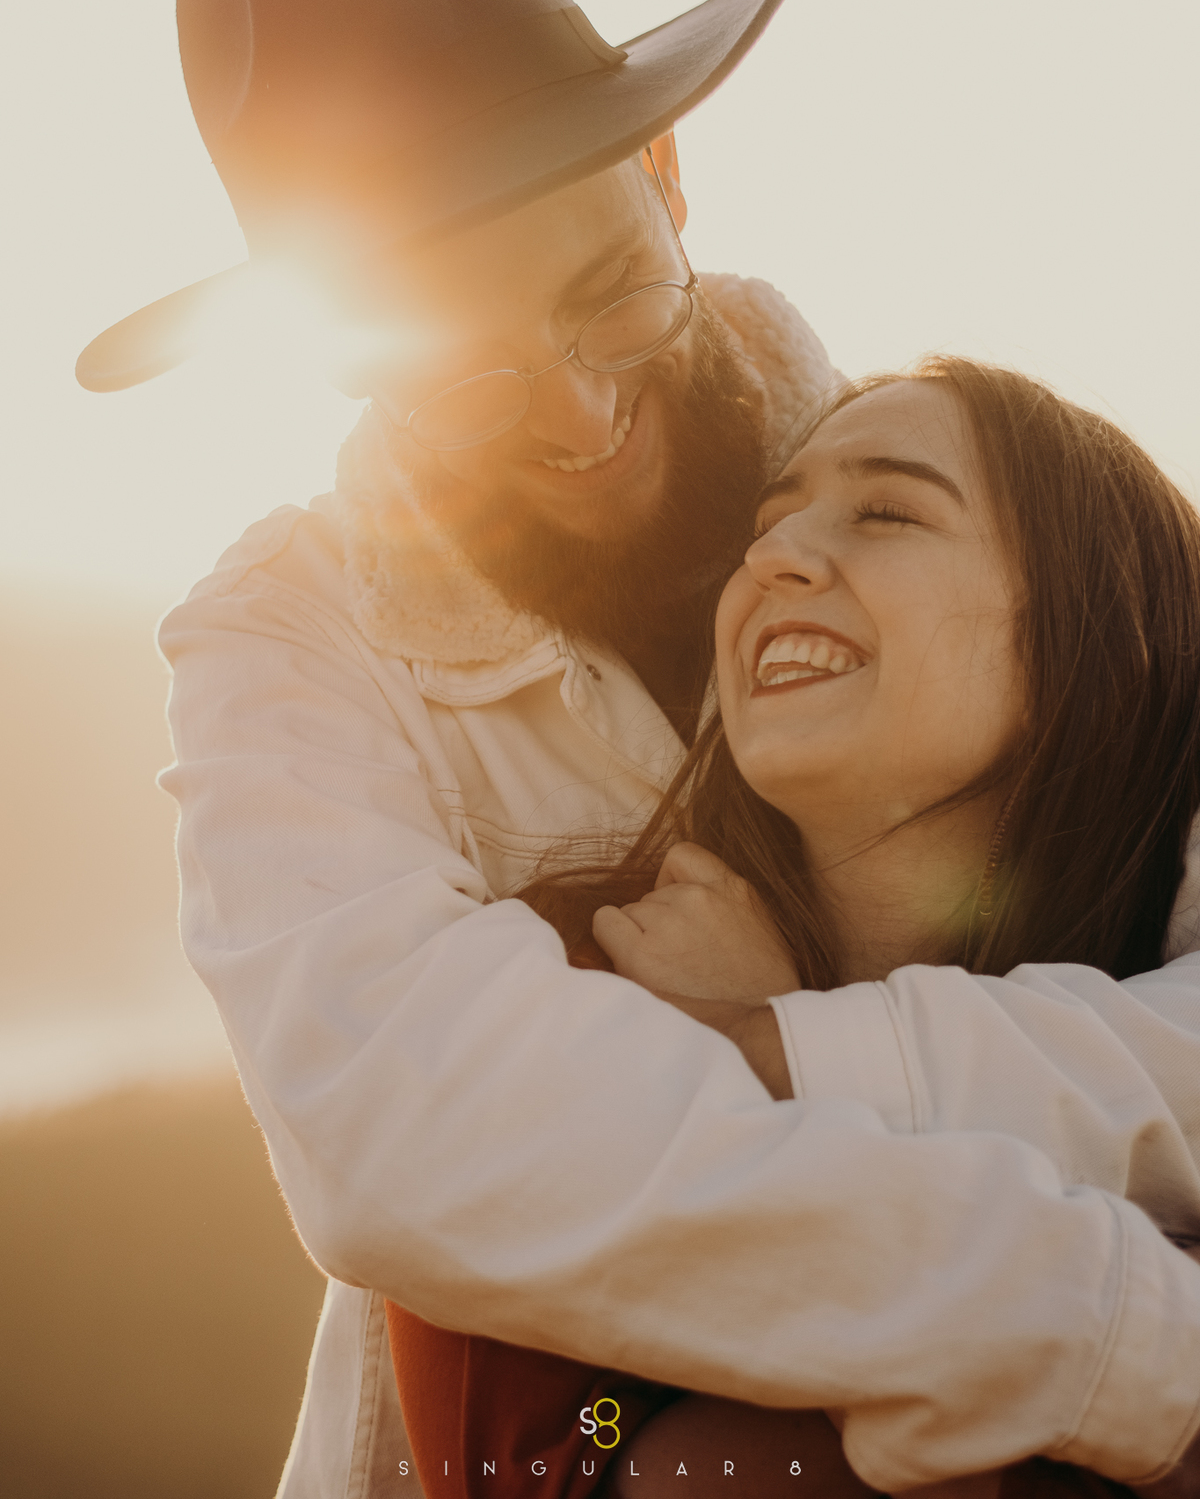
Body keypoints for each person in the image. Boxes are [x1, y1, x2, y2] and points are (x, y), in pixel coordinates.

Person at [74, 0, 1200, 1496]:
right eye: (465, 379)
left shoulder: (971, 504)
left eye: (613, 298)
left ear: (667, 170)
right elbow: (413, 1141)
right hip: (567, 1440)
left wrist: (790, 1043)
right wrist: (1114, 1337)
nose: (582, 418)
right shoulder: (289, 640)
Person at [386, 357, 1200, 1497]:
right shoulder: (564, 986)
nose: (769, 556)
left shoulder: (1162, 1027)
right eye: (769, 524)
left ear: (1101, 631)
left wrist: (786, 1044)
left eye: (887, 510)